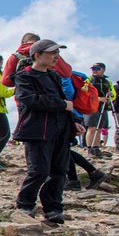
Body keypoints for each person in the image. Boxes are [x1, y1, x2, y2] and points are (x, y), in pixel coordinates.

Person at [13, 40, 75, 224]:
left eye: (58, 53)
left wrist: (73, 123)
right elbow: (29, 100)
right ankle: (25, 203)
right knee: (39, 170)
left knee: (59, 170)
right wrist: (62, 105)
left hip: (60, 129)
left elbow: (63, 103)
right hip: (37, 130)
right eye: (52, 53)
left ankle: (53, 208)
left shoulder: (54, 76)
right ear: (37, 55)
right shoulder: (24, 76)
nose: (56, 56)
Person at [2, 32, 72, 88]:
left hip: (25, 98)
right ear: (39, 42)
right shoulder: (49, 53)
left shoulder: (15, 56)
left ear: (23, 42)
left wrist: (21, 80)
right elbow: (67, 73)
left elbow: (5, 81)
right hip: (50, 97)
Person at [84, 62, 114, 157]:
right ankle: (89, 149)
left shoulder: (107, 82)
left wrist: (111, 96)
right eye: (93, 69)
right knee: (92, 127)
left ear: (103, 69)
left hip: (102, 107)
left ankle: (96, 148)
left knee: (99, 128)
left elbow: (113, 94)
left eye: (97, 68)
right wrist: (98, 98)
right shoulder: (88, 80)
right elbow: (84, 92)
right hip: (91, 106)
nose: (94, 71)